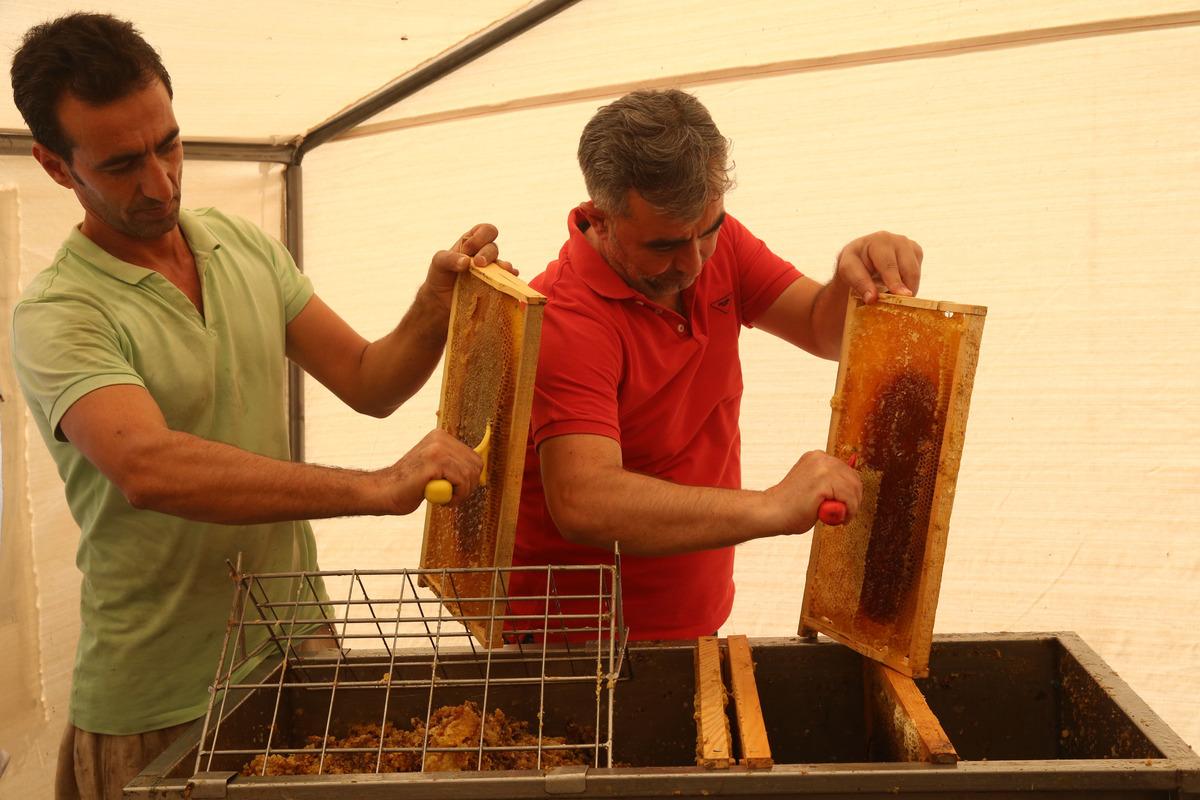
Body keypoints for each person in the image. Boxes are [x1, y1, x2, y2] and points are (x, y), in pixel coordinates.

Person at [9, 13, 498, 799]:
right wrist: (377, 487)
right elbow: (149, 468)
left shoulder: (241, 247)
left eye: (168, 143)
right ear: (56, 167)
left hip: (296, 652)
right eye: (123, 163)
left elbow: (371, 380)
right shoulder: (60, 313)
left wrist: (434, 304)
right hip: (161, 696)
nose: (161, 181)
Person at [510, 88, 923, 641]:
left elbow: (823, 331)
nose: (693, 263)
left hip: (692, 615)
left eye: (706, 231)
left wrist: (857, 277)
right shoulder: (565, 315)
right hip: (574, 641)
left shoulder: (715, 241)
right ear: (600, 219)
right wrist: (772, 506)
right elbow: (584, 500)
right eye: (663, 246)